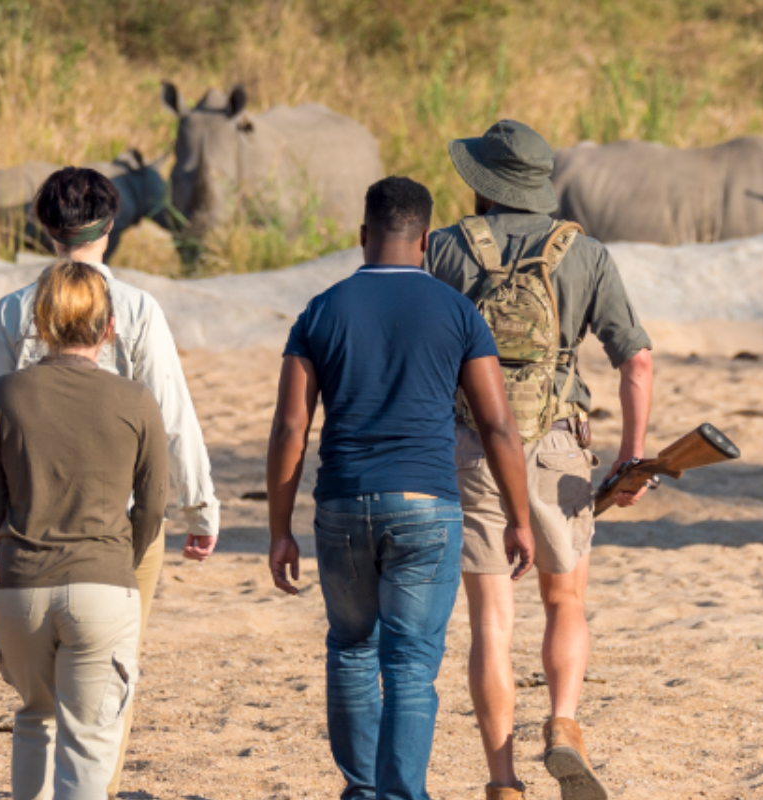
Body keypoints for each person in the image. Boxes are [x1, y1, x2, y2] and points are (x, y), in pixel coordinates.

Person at [266, 176, 535, 800]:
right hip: (427, 505)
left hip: (342, 502)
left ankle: (362, 791)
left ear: (363, 236)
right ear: (429, 240)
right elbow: (496, 423)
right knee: (411, 665)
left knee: (351, 650)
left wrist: (280, 528)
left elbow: (289, 428)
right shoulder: (456, 311)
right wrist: (518, 517)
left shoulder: (322, 309)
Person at [424, 120, 655, 800]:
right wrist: (633, 456)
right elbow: (636, 360)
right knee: (565, 601)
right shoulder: (585, 252)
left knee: (492, 620)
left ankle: (503, 782)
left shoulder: (443, 250)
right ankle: (562, 722)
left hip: (470, 442)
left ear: (482, 185)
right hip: (559, 442)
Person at [0, 166, 220, 796]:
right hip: (121, 524)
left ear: (45, 229)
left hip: (27, 522)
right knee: (107, 681)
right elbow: (168, 415)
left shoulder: (10, 310)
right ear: (112, 227)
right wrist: (199, 507)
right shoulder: (135, 307)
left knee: (39, 702)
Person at [0, 261, 168, 800]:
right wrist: (119, 556)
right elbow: (153, 505)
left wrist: (16, 544)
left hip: (19, 587)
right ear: (108, 329)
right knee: (88, 738)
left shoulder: (2, 395)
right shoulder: (135, 400)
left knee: (34, 719)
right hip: (102, 583)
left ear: (39, 321)